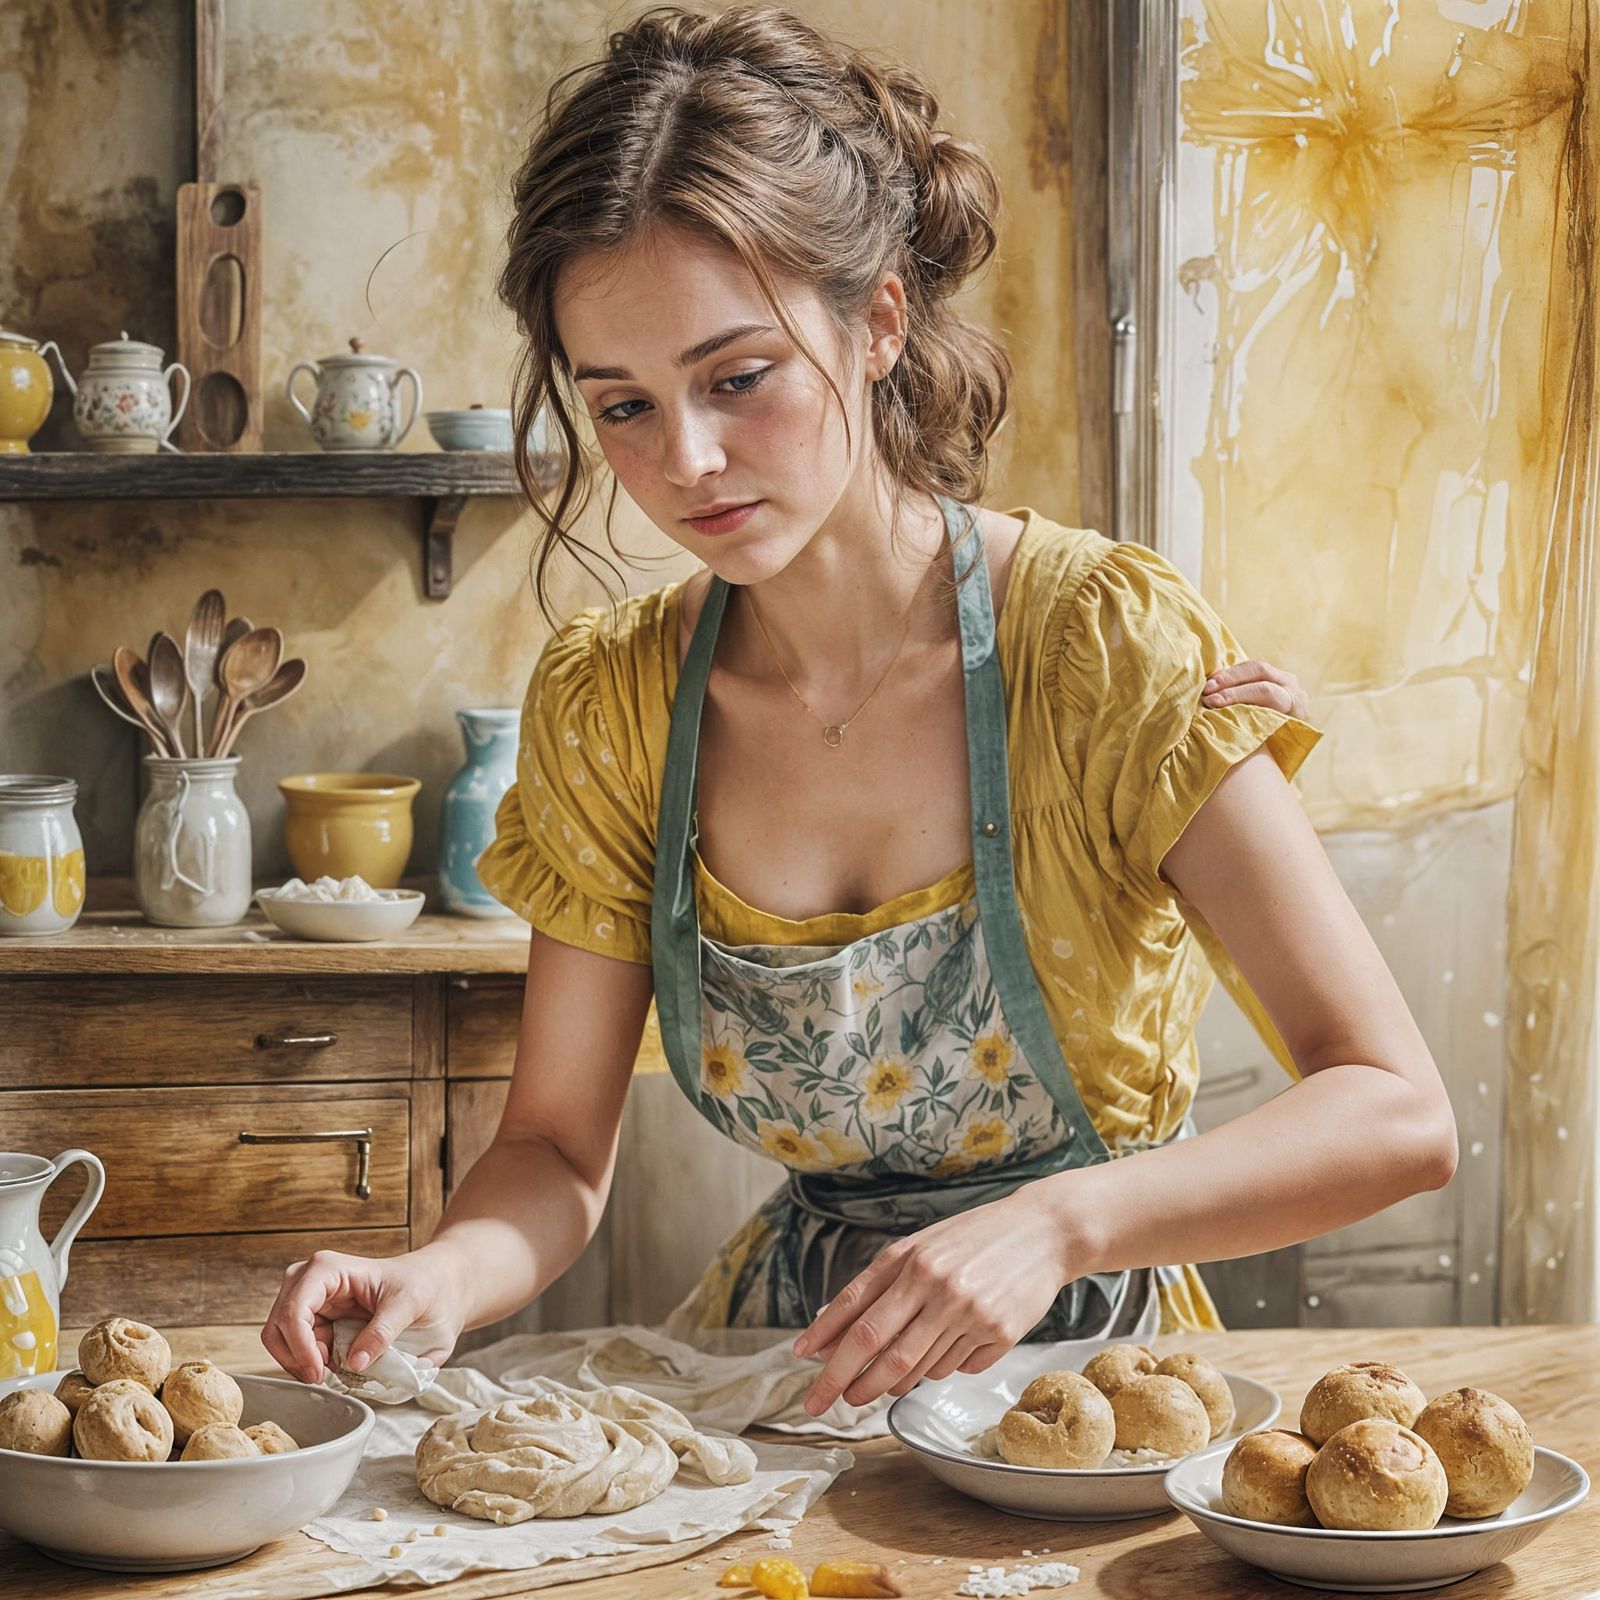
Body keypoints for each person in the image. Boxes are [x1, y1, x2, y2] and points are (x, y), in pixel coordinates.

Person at [261, 5, 1457, 1419]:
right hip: (785, 1383)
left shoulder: (1096, 648)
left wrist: (1060, 1224)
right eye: (624, 407)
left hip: (1096, 1407)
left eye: (739, 378)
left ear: (880, 318)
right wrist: (441, 1276)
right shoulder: (615, 705)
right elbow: (556, 1150)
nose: (686, 459)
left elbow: (1395, 1109)